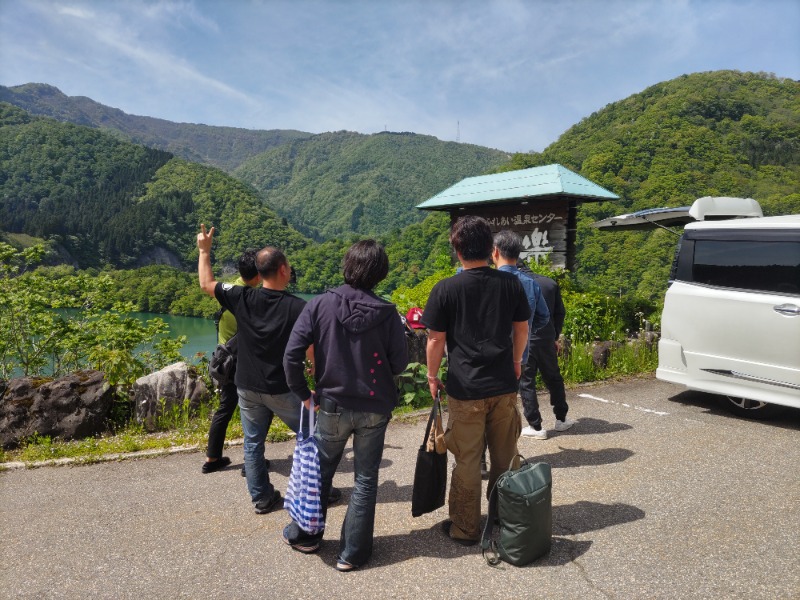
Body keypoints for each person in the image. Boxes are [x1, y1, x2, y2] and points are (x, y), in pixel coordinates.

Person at [282, 240, 408, 571]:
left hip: (332, 404)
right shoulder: (387, 313)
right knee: (365, 479)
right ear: (380, 272)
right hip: (374, 407)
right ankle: (352, 553)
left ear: (347, 265)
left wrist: (304, 393)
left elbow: (291, 353)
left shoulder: (320, 305)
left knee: (320, 472)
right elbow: (399, 363)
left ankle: (306, 535)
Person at [197, 224, 333, 514]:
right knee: (313, 436)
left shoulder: (242, 297)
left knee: (253, 443)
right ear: (283, 269)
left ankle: (261, 497)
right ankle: (320, 489)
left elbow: (206, 284)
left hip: (246, 386)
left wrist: (204, 251)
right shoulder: (299, 308)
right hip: (283, 388)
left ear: (259, 273)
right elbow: (313, 351)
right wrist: (318, 383)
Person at [422, 216, 531, 546]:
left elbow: (435, 339)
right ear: (491, 249)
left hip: (465, 388)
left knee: (468, 460)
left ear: (457, 249)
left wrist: (431, 375)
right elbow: (522, 329)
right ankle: (502, 517)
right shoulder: (511, 284)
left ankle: (466, 528)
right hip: (503, 386)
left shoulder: (446, 288)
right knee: (504, 455)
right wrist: (515, 362)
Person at [202, 249, 261, 474]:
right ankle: (253, 463)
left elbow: (206, 283)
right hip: (244, 364)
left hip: (224, 362)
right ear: (259, 274)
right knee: (256, 411)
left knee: (225, 408)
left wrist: (203, 251)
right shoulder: (252, 298)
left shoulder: (231, 289)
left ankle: (212, 458)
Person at [518, 261, 575, 439]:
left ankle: (536, 427)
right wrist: (554, 336)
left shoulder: (514, 283)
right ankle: (561, 419)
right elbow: (560, 313)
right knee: (553, 377)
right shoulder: (549, 283)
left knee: (527, 382)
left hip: (524, 340)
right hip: (546, 339)